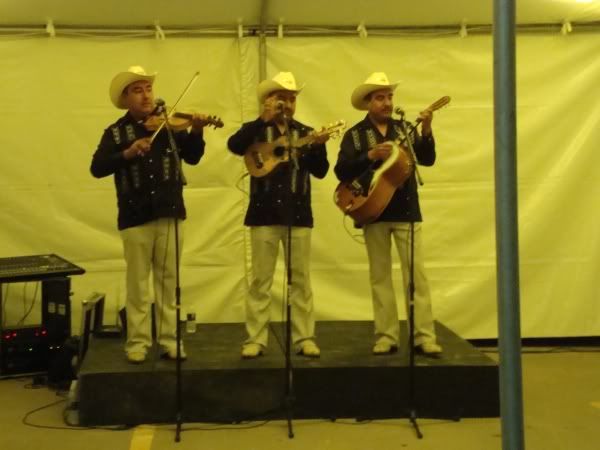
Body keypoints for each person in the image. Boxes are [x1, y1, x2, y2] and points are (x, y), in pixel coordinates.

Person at [91, 65, 210, 364]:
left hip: (170, 212)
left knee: (169, 282)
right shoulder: (117, 132)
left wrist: (196, 129)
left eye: (147, 89)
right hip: (134, 215)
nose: (146, 95)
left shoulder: (168, 128)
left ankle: (170, 340)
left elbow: (193, 157)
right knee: (138, 284)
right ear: (125, 98)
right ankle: (138, 342)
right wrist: (127, 153)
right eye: (137, 90)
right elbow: (97, 167)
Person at [334, 72, 442, 356]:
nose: (387, 102)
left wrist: (427, 128)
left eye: (389, 97)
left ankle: (423, 335)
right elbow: (341, 171)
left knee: (416, 276)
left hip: (406, 209)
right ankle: (386, 335)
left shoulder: (405, 127)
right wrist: (368, 157)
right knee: (379, 275)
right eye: (380, 98)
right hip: (373, 211)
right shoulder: (355, 135)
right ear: (368, 103)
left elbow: (428, 159)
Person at [227, 72, 329, 359]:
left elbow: (320, 171)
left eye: (292, 98)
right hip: (263, 213)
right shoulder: (255, 130)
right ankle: (256, 339)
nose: (288, 103)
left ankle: (304, 337)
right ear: (269, 100)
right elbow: (234, 146)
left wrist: (318, 145)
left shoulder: (305, 131)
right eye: (282, 97)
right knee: (261, 280)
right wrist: (264, 119)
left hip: (299, 214)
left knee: (301, 279)